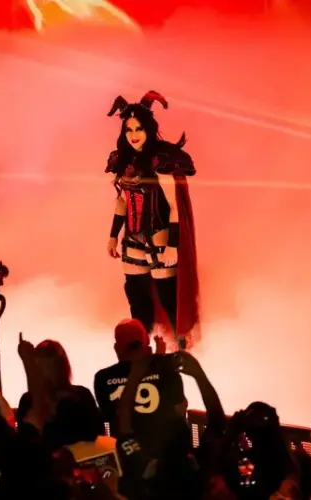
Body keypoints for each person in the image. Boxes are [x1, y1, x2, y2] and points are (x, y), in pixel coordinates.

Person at [105, 90, 200, 350]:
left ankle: (182, 351)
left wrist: (172, 244)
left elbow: (173, 206)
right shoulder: (121, 161)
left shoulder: (161, 160)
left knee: (169, 298)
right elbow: (123, 200)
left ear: (148, 129)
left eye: (139, 129)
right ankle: (141, 349)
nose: (134, 135)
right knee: (137, 298)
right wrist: (114, 235)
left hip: (160, 236)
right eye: (129, 130)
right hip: (132, 239)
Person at [93, 319, 186, 455]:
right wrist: (158, 359)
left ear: (116, 348)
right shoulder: (167, 371)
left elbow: (110, 418)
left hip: (128, 455)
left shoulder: (102, 378)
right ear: (147, 345)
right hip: (166, 454)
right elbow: (180, 410)